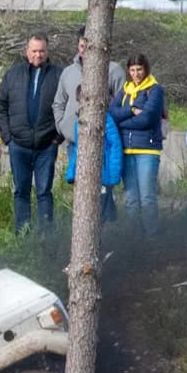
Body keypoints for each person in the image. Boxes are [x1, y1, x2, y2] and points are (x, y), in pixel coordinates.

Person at [54, 25, 126, 224]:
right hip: (74, 143)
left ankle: (108, 230)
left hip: (103, 144)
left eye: (89, 45)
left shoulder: (114, 70)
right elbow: (58, 102)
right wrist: (62, 126)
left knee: (104, 193)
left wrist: (106, 125)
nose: (84, 48)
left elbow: (122, 103)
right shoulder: (68, 72)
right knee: (82, 193)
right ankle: (85, 230)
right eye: (82, 44)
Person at [0, 34, 63, 234]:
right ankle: (23, 236)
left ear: (47, 51)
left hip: (46, 144)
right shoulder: (13, 74)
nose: (38, 54)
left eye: (41, 51)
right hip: (19, 144)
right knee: (21, 192)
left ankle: (45, 237)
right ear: (27, 51)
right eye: (34, 50)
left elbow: (68, 106)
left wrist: (57, 137)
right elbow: (0, 103)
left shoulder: (58, 74)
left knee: (44, 192)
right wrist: (7, 136)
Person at [109, 54, 165, 236]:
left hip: (147, 151)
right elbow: (112, 113)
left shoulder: (155, 90)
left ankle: (151, 236)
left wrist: (122, 122)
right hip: (126, 149)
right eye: (132, 70)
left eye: (139, 69)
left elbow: (148, 119)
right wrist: (132, 110)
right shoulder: (124, 90)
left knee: (147, 197)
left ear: (146, 68)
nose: (136, 73)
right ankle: (134, 237)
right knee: (130, 198)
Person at [65, 86, 123, 229]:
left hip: (104, 175)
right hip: (86, 176)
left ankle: (112, 236)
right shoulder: (79, 123)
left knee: (105, 209)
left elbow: (115, 146)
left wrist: (114, 175)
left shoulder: (106, 120)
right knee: (89, 209)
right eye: (83, 101)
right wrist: (72, 173)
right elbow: (78, 149)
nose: (86, 105)